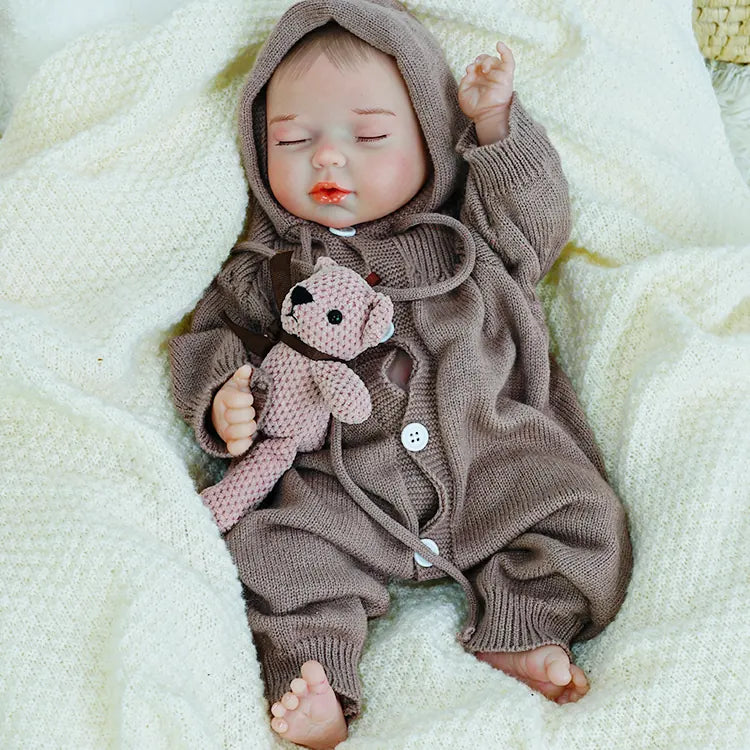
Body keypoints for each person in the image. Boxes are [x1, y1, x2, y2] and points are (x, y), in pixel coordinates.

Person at [169, 1, 633, 747]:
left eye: (370, 136)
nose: (327, 158)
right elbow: (208, 336)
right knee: (276, 552)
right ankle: (314, 674)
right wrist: (223, 396)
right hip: (338, 487)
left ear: (428, 139)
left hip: (487, 453)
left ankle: (523, 625)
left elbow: (537, 224)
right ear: (260, 153)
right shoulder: (269, 270)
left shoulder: (467, 241)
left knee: (578, 514)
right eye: (293, 140)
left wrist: (493, 130)